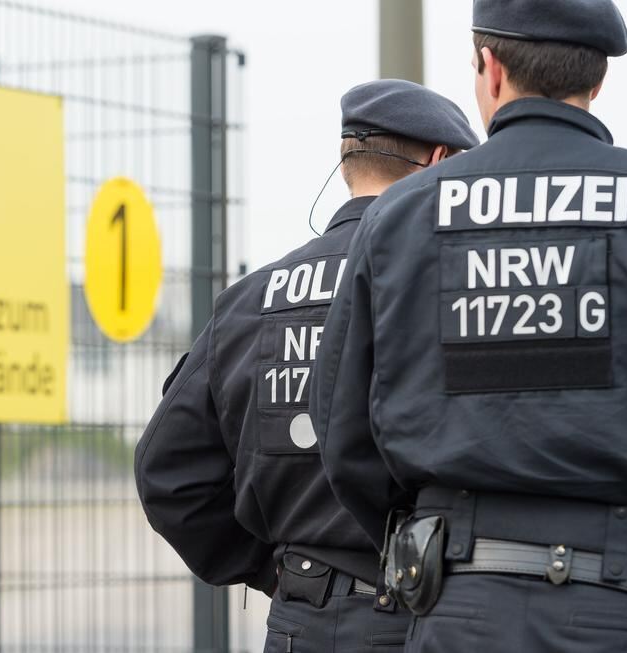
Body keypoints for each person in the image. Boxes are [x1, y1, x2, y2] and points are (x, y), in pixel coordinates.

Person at [310, 2, 627, 652]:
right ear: (596, 79)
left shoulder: (399, 216)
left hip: (457, 603)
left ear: (490, 67)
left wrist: (433, 533)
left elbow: (342, 430)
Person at [134, 79, 478, 652]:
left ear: (348, 159)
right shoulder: (456, 288)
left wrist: (280, 571)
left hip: (307, 621)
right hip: (440, 614)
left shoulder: (252, 299)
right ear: (438, 163)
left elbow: (166, 472)